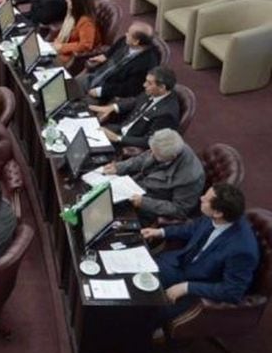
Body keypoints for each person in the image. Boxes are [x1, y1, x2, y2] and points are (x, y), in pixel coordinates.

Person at [142, 184, 259, 325]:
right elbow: (192, 228)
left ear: (218, 213)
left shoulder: (242, 250)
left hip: (201, 286)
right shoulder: (216, 217)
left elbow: (232, 291)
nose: (201, 198)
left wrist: (187, 287)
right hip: (181, 264)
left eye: (206, 199)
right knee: (136, 279)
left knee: (147, 314)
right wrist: (160, 232)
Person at [102, 129, 204, 223]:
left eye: (156, 155)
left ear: (172, 157)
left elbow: (179, 210)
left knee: (106, 213)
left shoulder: (191, 178)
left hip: (150, 205)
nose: (151, 155)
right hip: (135, 187)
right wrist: (119, 167)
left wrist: (144, 202)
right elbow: (143, 158)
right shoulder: (168, 145)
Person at [90, 66, 181, 149]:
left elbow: (150, 141)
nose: (144, 85)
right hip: (120, 129)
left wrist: (117, 138)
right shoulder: (155, 92)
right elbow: (135, 101)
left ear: (162, 87)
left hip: (128, 143)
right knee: (88, 130)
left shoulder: (166, 114)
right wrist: (113, 107)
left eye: (149, 83)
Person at [77, 21, 159, 101]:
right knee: (68, 86)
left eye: (128, 33)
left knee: (76, 105)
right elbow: (111, 51)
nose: (125, 34)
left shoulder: (145, 64)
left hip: (108, 93)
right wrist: (105, 56)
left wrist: (101, 91)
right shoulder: (124, 41)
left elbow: (129, 88)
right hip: (96, 77)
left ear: (136, 42)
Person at [53, 0, 100, 67]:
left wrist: (61, 47)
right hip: (64, 49)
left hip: (72, 57)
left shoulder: (86, 22)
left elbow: (85, 45)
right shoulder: (73, 15)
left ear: (77, 3)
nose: (66, 0)